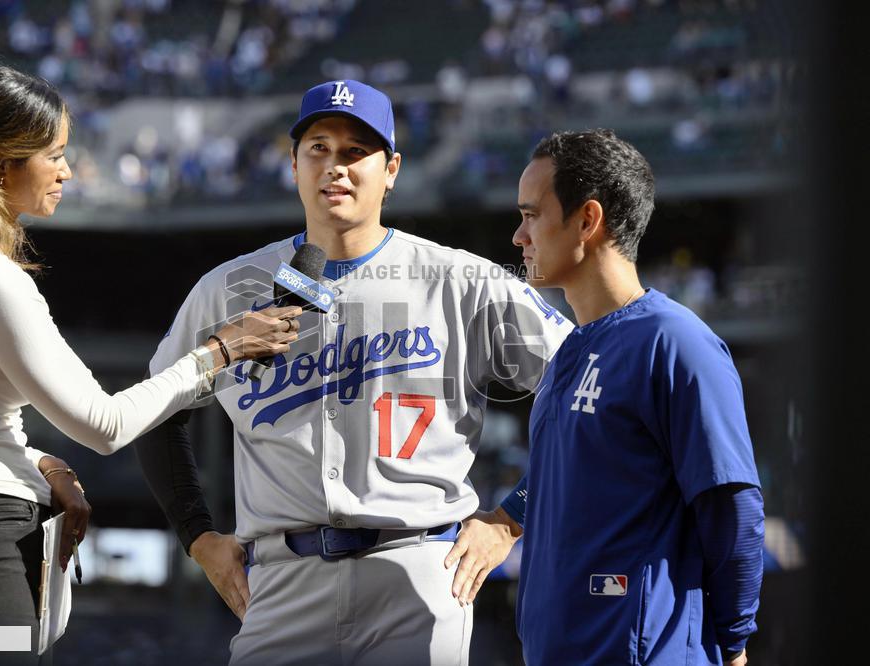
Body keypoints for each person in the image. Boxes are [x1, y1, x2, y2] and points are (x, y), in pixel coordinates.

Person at [135, 79, 573, 665]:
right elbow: (152, 414)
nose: (335, 167)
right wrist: (198, 537)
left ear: (391, 169)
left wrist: (510, 520)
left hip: (420, 567)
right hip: (281, 580)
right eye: (318, 148)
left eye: (355, 152)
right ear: (293, 164)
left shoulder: (465, 281)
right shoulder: (228, 289)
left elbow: (585, 391)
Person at [0, 64, 299, 663]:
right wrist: (219, 352)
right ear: (2, 166)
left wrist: (36, 461)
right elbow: (105, 426)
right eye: (55, 154)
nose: (67, 171)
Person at [501, 129, 764, 665]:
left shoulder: (674, 341)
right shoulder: (571, 348)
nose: (518, 237)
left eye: (531, 215)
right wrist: (504, 516)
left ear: (588, 220)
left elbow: (731, 505)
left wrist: (734, 645)